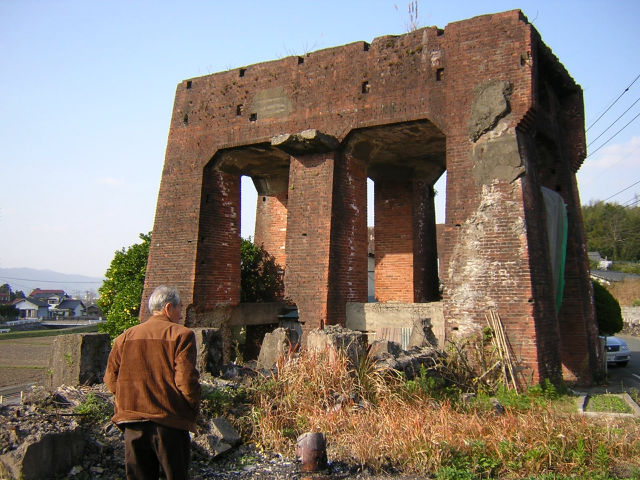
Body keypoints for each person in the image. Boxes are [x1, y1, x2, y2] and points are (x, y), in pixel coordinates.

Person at [104, 285, 201, 480]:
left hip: (132, 422)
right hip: (169, 422)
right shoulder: (182, 335)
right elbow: (186, 381)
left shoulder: (125, 337)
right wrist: (190, 408)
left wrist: (129, 400)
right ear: (167, 308)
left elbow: (110, 379)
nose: (181, 314)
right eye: (179, 308)